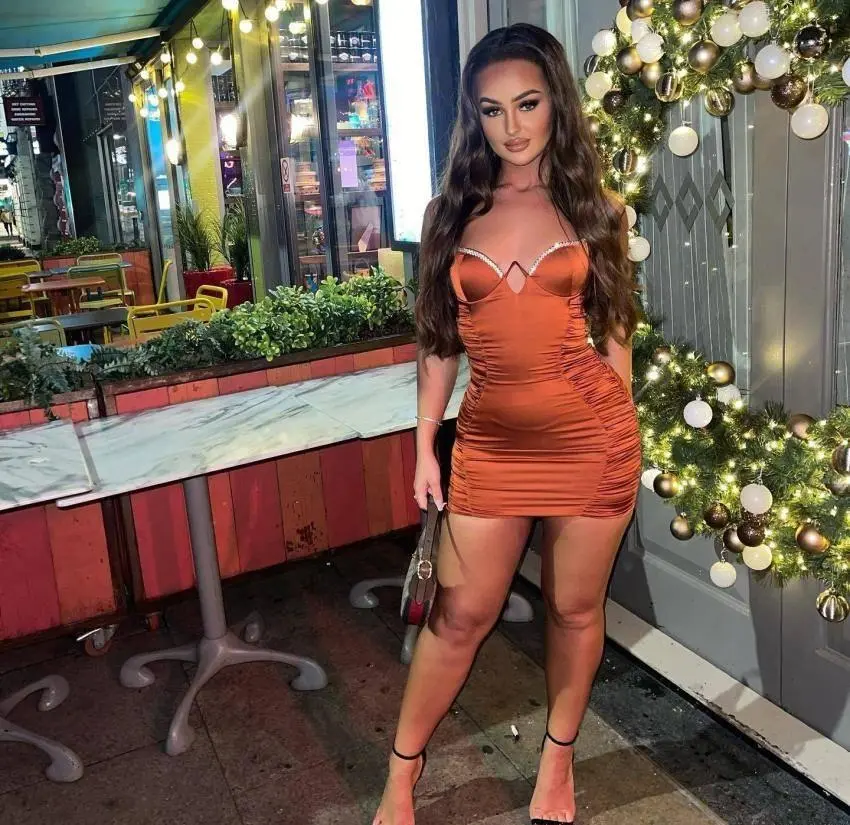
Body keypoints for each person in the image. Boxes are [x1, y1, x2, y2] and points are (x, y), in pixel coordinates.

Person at [373, 23, 642, 825]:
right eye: (492, 110)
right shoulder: (449, 213)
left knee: (574, 609)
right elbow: (437, 340)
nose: (512, 127)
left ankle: (557, 760)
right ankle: (400, 775)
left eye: (527, 104)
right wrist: (425, 442)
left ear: (555, 102)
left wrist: (623, 436)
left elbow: (617, 338)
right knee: (459, 614)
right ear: (475, 117)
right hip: (490, 441)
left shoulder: (598, 210)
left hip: (590, 437)